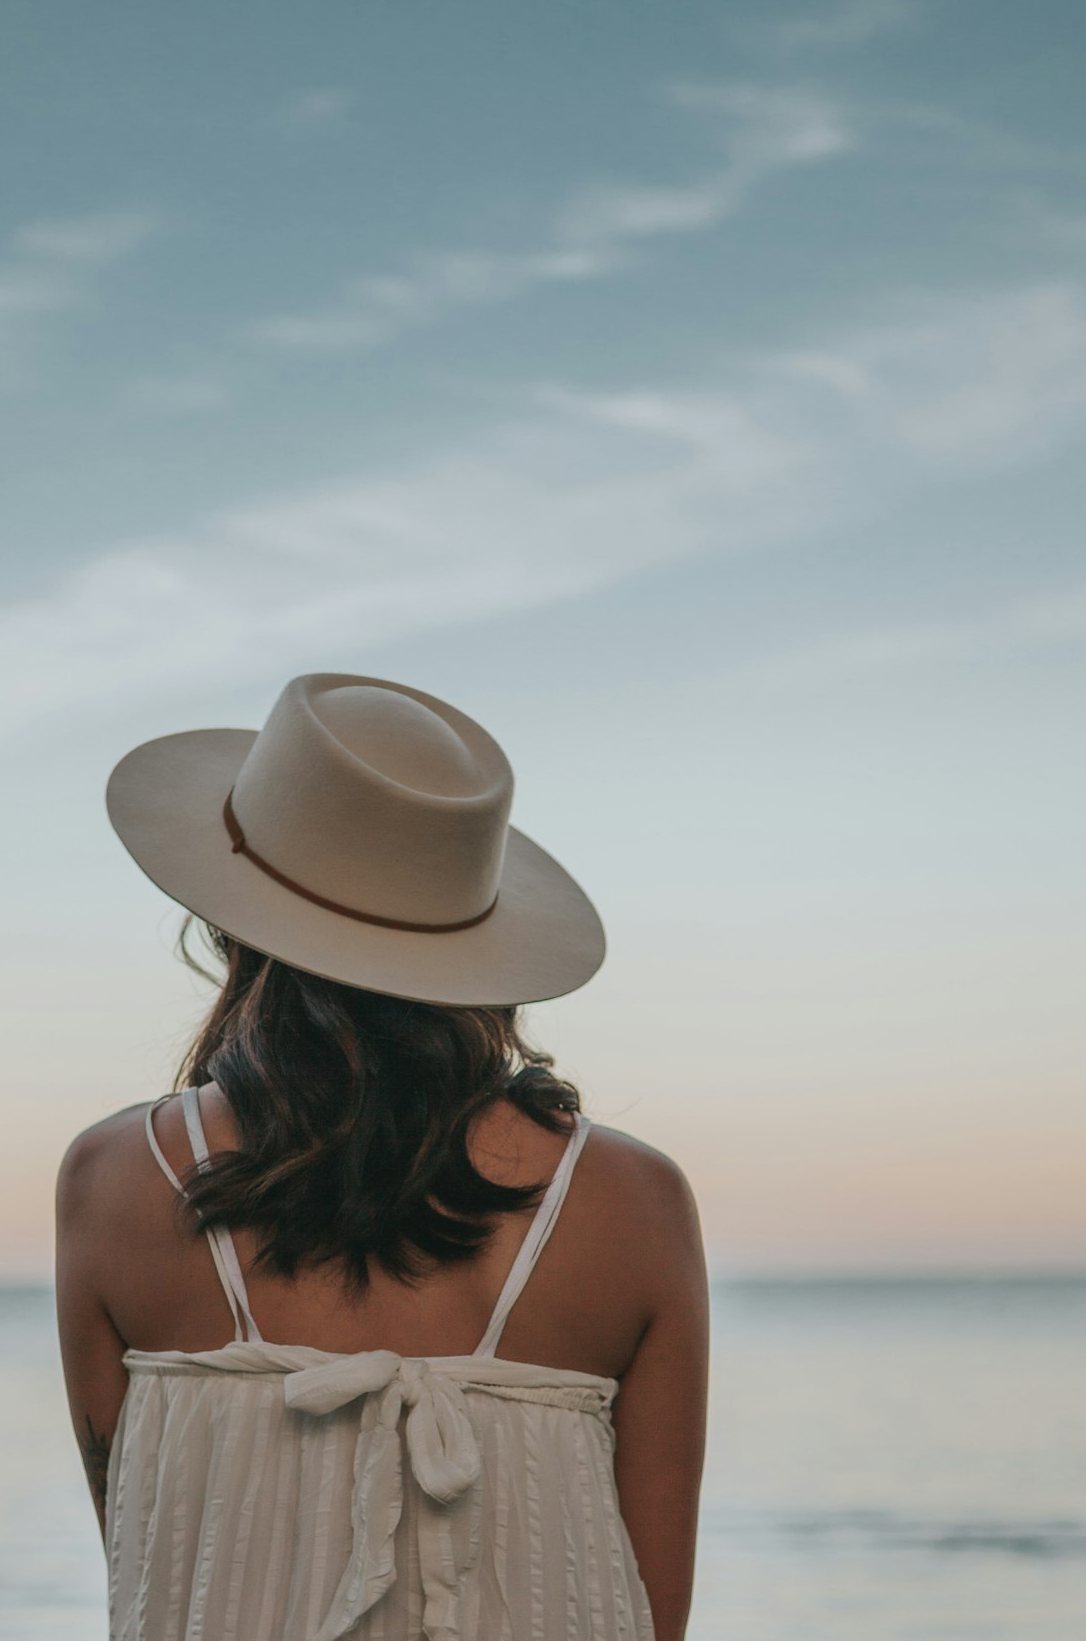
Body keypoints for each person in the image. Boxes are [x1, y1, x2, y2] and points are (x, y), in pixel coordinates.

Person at [55, 671, 709, 1639]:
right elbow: (653, 1613)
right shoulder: (630, 1200)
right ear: (478, 942)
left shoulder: (117, 1175)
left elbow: (148, 1549)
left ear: (231, 925)